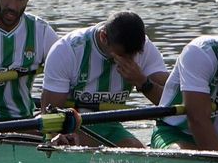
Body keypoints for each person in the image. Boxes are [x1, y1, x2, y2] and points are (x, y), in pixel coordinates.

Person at [38, 11, 169, 147]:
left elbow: (171, 100)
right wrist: (56, 137)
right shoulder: (67, 50)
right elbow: (50, 113)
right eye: (122, 54)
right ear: (103, 37)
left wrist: (142, 82)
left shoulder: (145, 48)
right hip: (72, 126)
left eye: (134, 55)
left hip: (111, 126)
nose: (129, 60)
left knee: (140, 154)